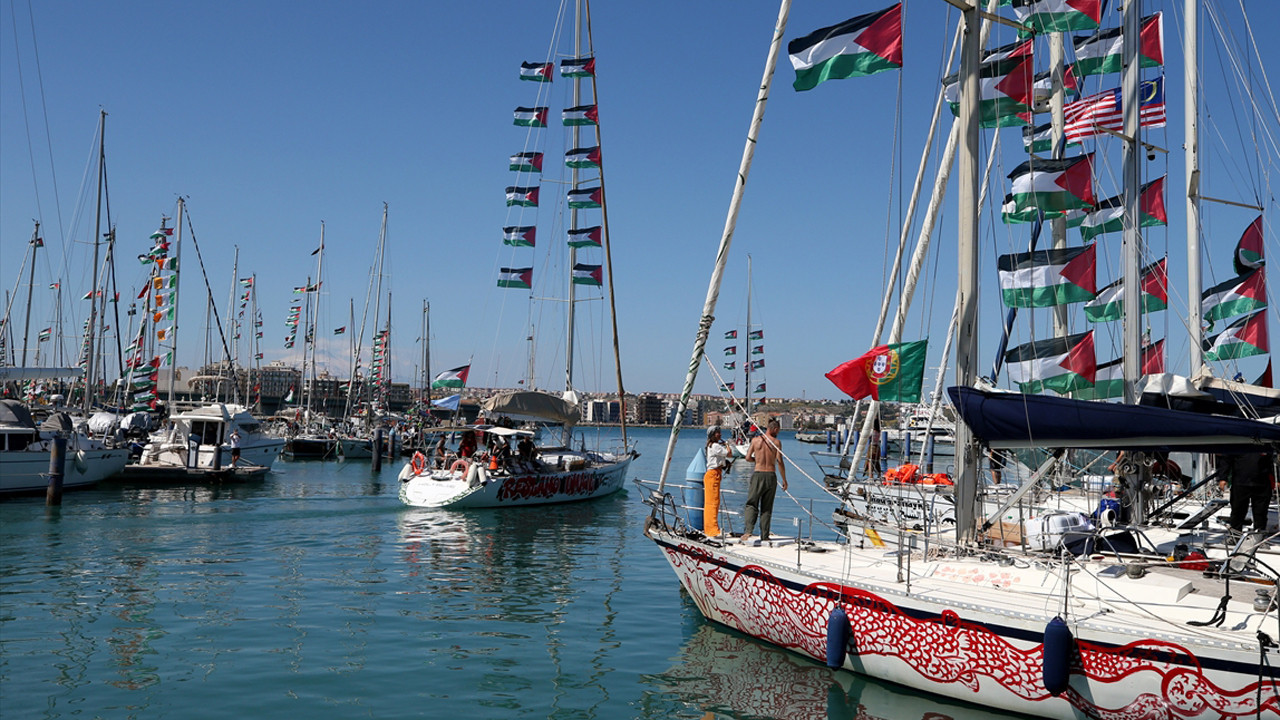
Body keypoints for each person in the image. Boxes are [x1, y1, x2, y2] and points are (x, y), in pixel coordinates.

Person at [740, 419, 788, 543]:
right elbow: (780, 462)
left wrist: (757, 461)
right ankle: (765, 535)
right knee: (767, 507)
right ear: (775, 429)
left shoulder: (755, 441)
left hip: (758, 473)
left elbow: (747, 457)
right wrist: (784, 479)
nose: (778, 433)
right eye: (778, 430)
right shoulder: (776, 443)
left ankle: (748, 531)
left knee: (752, 503)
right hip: (771, 475)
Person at [1219, 451, 1276, 537]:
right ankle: (1235, 537)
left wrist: (1277, 479)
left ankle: (1259, 537)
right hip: (1240, 483)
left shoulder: (1266, 445)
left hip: (1262, 483)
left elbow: (1273, 462)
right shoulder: (1238, 444)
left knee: (1261, 513)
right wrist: (1223, 478)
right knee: (1237, 512)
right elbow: (1226, 459)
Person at [703, 427, 731, 537]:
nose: (720, 434)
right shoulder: (715, 446)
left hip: (713, 474)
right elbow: (729, 453)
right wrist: (727, 444)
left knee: (711, 502)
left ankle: (709, 528)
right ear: (713, 435)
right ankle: (713, 530)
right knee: (713, 503)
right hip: (713, 475)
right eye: (717, 433)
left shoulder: (712, 446)